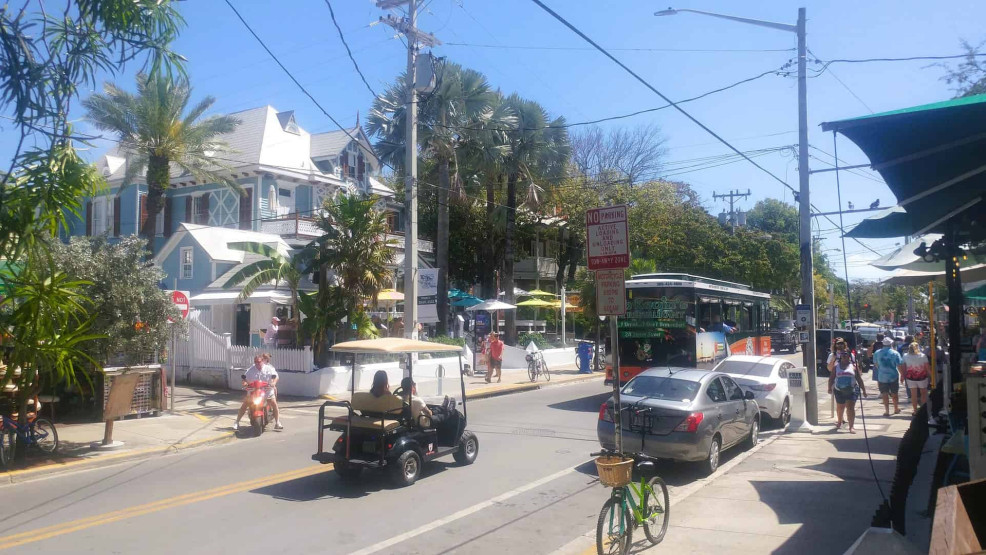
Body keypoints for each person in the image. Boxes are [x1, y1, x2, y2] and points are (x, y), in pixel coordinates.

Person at [234, 355, 282, 431]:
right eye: (255, 362)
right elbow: (244, 379)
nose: (257, 363)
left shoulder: (269, 369)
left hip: (267, 391)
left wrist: (273, 383)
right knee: (245, 404)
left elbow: (276, 377)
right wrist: (245, 384)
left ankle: (277, 422)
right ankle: (237, 422)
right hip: (254, 392)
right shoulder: (251, 370)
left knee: (274, 403)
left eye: (259, 362)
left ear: (262, 361)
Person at [828, 349, 867, 433]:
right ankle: (839, 421)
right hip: (839, 390)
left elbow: (859, 379)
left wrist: (864, 390)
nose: (844, 355)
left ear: (849, 356)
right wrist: (829, 388)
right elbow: (831, 378)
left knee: (850, 408)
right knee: (840, 407)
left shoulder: (853, 366)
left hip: (852, 390)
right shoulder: (836, 367)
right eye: (842, 354)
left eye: (846, 354)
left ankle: (851, 426)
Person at [873, 336, 903, 417]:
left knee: (884, 394)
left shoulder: (877, 353)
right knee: (894, 393)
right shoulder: (895, 353)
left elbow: (876, 364)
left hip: (882, 377)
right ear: (891, 344)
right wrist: (902, 375)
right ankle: (896, 408)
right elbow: (899, 365)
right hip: (893, 376)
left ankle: (887, 411)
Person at [900, 342, 930, 414]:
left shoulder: (905, 356)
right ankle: (923, 410)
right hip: (922, 377)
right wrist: (932, 376)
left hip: (910, 378)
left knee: (913, 395)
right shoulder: (923, 356)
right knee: (923, 393)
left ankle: (915, 410)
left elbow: (903, 368)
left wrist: (902, 376)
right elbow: (927, 368)